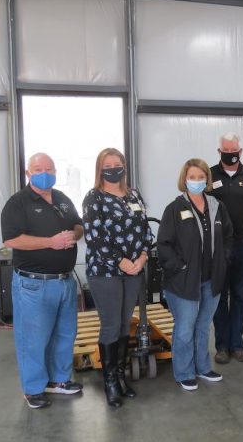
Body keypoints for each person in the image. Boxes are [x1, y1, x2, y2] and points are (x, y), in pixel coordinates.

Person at [1, 152, 84, 409]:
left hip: (64, 282)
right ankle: (34, 389)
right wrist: (51, 242)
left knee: (64, 334)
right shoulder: (18, 203)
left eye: (49, 168)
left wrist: (74, 234)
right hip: (33, 284)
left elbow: (79, 224)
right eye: (38, 168)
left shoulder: (62, 199)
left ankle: (59, 380)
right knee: (33, 339)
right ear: (28, 173)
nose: (44, 172)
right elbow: (11, 239)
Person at [82, 148, 153, 407]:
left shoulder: (133, 194)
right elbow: (94, 238)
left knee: (125, 324)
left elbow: (146, 230)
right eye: (107, 164)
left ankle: (121, 377)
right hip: (106, 272)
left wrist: (142, 258)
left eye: (117, 163)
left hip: (134, 269)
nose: (113, 168)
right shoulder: (94, 198)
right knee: (111, 325)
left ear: (124, 166)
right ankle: (109, 382)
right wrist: (122, 262)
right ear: (100, 169)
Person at [157, 159, 233, 391]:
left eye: (201, 177)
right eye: (192, 177)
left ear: (207, 180)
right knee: (184, 328)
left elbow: (228, 238)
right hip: (183, 282)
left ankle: (203, 367)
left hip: (211, 280)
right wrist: (180, 268)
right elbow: (164, 245)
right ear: (185, 179)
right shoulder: (175, 208)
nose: (197, 181)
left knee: (202, 327)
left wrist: (224, 261)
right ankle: (184, 372)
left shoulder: (217, 206)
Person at [209, 132, 243, 364]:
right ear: (219, 151)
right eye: (226, 151)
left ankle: (237, 343)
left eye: (234, 151)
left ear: (240, 152)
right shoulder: (209, 176)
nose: (230, 155)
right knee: (219, 297)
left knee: (241, 295)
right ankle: (221, 346)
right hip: (217, 246)